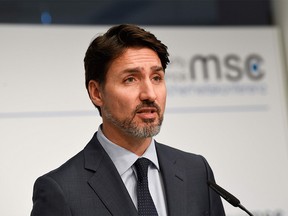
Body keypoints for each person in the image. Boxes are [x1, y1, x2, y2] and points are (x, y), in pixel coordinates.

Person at [31, 24, 225, 216]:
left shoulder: (196, 171)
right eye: (130, 79)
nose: (149, 94)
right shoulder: (61, 190)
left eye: (156, 78)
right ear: (97, 93)